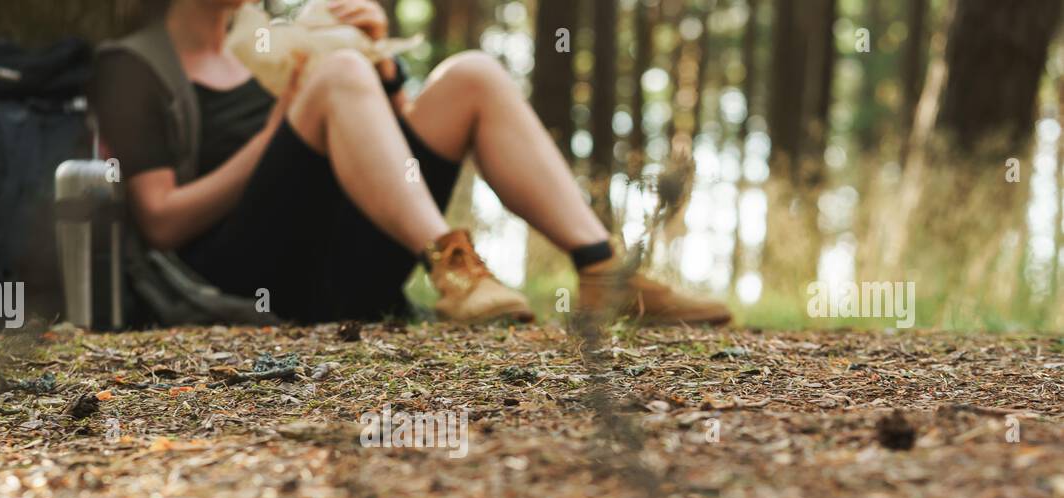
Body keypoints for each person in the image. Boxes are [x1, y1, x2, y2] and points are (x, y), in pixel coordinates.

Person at [90, 0, 732, 327]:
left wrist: (385, 70)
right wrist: (279, 126)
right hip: (238, 281)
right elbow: (162, 223)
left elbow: (381, 156)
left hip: (343, 269)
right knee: (337, 74)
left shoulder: (275, 41)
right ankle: (454, 267)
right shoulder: (134, 65)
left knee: (472, 76)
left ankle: (603, 271)